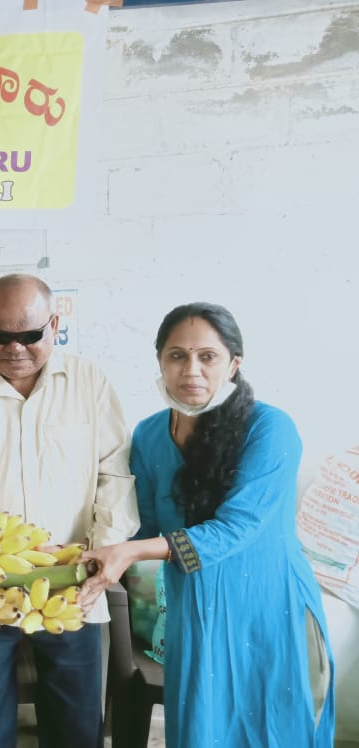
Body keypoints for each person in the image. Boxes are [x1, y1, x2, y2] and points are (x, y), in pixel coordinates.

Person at [79, 302, 335, 748]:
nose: (190, 369)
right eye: (177, 355)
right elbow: (139, 524)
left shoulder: (272, 429)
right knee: (202, 731)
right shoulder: (149, 434)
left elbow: (236, 530)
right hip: (195, 612)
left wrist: (132, 553)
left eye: (207, 356)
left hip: (269, 610)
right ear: (159, 361)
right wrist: (78, 548)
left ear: (234, 364)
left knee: (273, 730)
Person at [0, 273, 139, 748]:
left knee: (76, 726)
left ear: (55, 326)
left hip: (73, 583)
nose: (15, 349)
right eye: (1, 336)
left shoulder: (89, 383)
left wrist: (100, 558)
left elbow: (116, 476)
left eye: (30, 336)